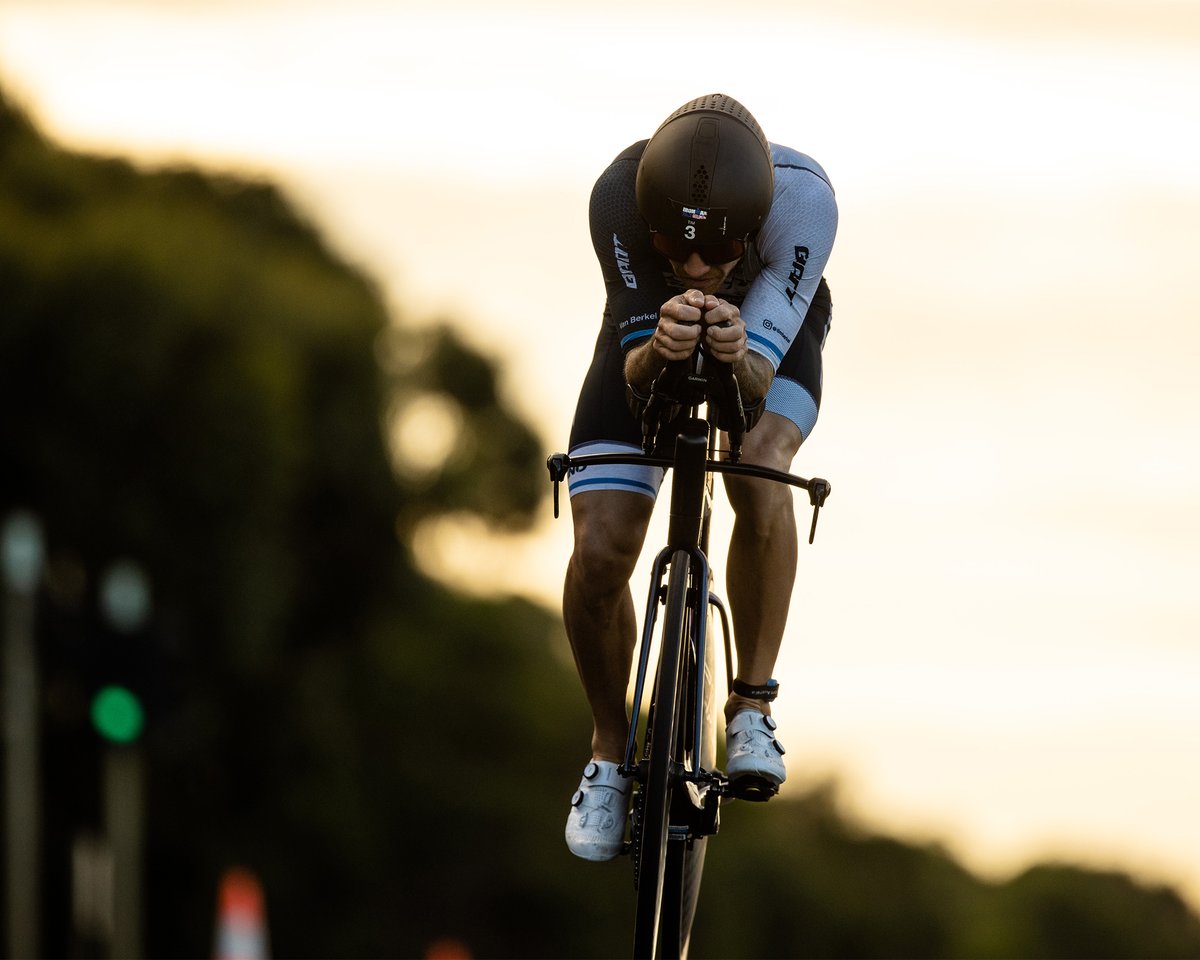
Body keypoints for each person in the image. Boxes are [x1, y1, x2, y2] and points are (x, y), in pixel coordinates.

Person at [562, 93, 838, 860]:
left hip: (774, 325)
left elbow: (754, 379)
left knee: (759, 465)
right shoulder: (618, 196)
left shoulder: (805, 204)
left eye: (716, 254)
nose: (693, 268)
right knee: (601, 549)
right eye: (672, 248)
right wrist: (661, 347)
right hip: (649, 320)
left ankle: (751, 705)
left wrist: (740, 353)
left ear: (752, 233)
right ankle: (609, 754)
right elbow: (641, 364)